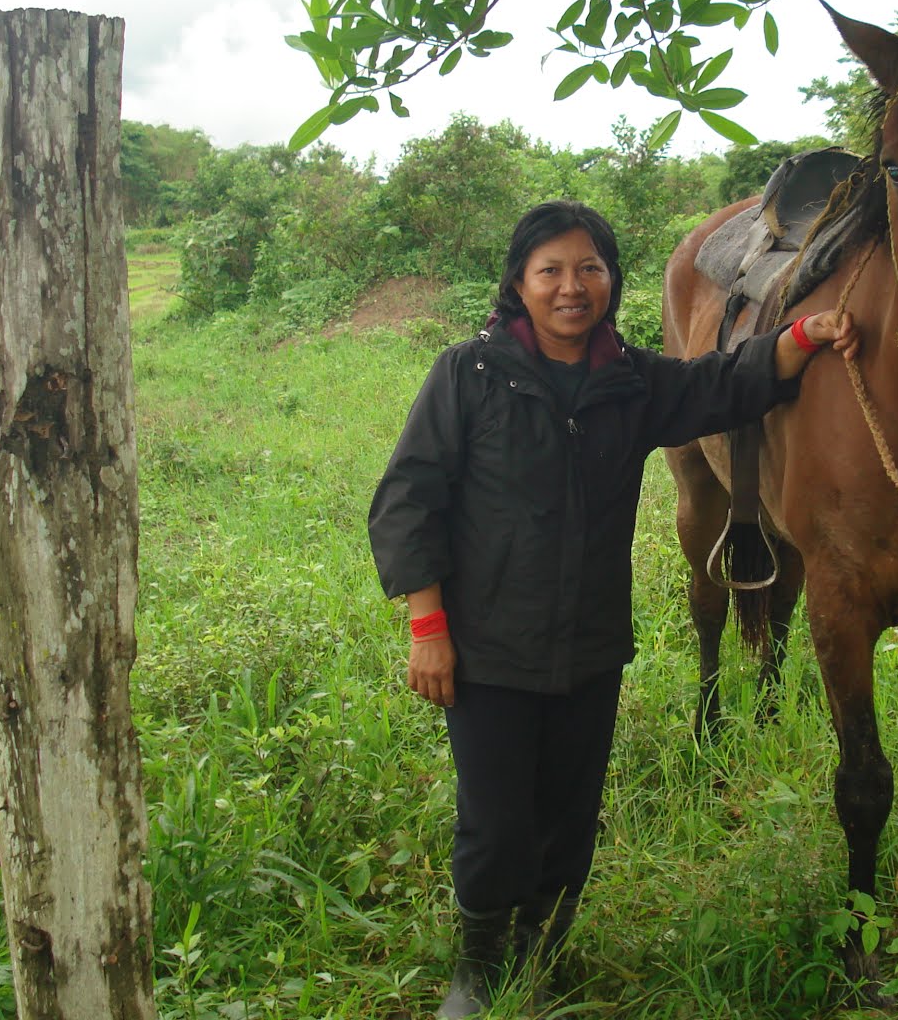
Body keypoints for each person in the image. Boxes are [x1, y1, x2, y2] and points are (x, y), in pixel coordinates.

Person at [367, 200, 857, 1017]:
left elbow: (720, 385)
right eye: (550, 271)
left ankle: (543, 952)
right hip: (487, 651)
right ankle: (479, 964)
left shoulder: (631, 381)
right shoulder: (469, 374)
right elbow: (408, 499)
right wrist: (428, 628)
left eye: (589, 269)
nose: (571, 287)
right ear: (519, 284)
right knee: (493, 823)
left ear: (611, 282)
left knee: (569, 818)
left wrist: (798, 340)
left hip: (590, 649)